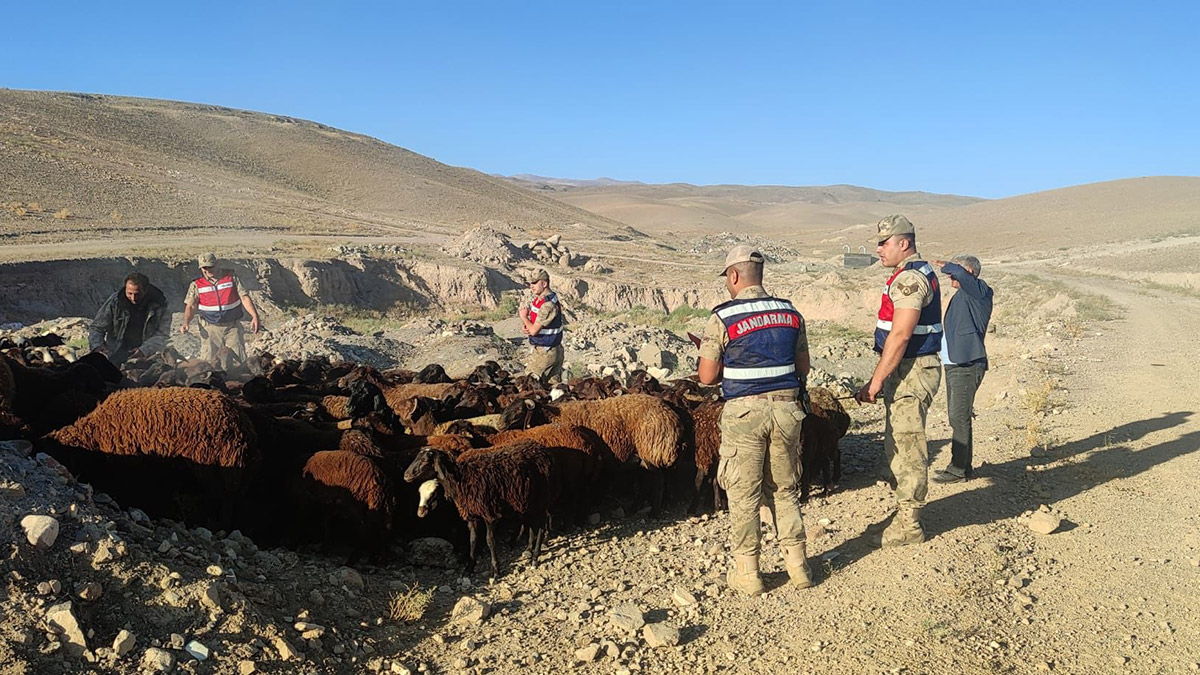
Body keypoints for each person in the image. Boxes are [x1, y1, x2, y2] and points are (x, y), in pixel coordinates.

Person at [697, 245, 813, 594]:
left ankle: (749, 574)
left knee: (744, 494)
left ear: (733, 276)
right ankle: (799, 567)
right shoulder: (790, 313)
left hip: (745, 414)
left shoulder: (723, 317)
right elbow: (803, 367)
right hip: (787, 410)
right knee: (785, 488)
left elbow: (706, 376)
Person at [855, 215, 943, 547]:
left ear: (903, 243)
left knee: (909, 448)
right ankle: (903, 516)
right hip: (906, 369)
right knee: (897, 443)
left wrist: (876, 381)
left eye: (884, 242)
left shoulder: (909, 279)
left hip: (914, 369)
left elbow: (902, 334)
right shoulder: (907, 274)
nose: (878, 249)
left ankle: (910, 525)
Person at [929, 255, 993, 483]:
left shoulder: (980, 291)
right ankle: (963, 467)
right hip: (955, 363)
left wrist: (948, 265)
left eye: (954, 273)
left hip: (967, 364)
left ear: (968, 272)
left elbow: (963, 276)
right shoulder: (963, 295)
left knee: (958, 417)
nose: (949, 277)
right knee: (959, 417)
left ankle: (957, 470)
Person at [179, 253, 261, 362]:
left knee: (238, 360)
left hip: (232, 327)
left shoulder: (231, 278)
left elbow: (244, 297)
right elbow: (191, 305)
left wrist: (254, 316)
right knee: (209, 362)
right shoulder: (197, 284)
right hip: (210, 328)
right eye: (204, 268)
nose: (208, 270)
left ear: (217, 264)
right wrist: (186, 323)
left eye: (210, 266)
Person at [88, 272, 171, 364]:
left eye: (137, 294)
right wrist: (98, 346)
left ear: (146, 290)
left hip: (147, 356)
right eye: (129, 293)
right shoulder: (116, 302)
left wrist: (144, 350)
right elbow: (97, 327)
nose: (133, 298)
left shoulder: (160, 305)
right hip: (114, 352)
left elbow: (163, 334)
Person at [518, 269, 564, 384]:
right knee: (553, 386)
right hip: (553, 349)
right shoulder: (546, 298)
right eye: (530, 283)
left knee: (529, 384)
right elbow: (536, 326)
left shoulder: (547, 305)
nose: (531, 286)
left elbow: (534, 331)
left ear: (544, 284)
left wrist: (524, 317)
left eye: (534, 283)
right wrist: (527, 326)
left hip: (546, 352)